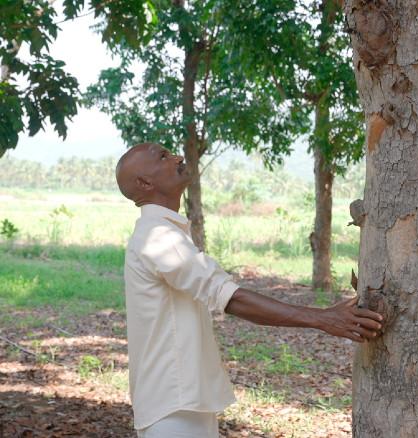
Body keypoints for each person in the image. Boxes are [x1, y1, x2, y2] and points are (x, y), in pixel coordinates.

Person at [115, 142, 383, 437]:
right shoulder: (159, 239)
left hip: (179, 402)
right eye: (163, 157)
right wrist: (323, 318)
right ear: (145, 183)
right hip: (174, 408)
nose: (177, 157)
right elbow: (229, 297)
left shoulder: (159, 233)